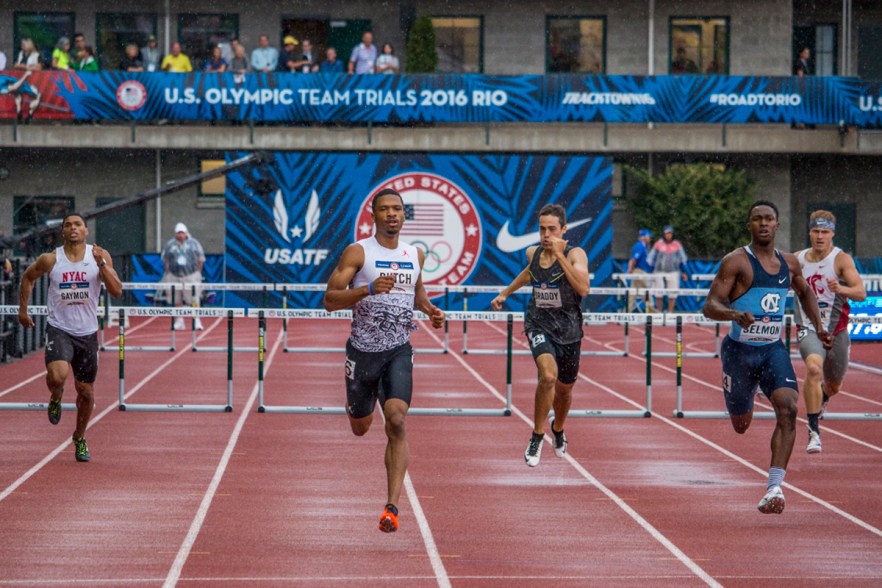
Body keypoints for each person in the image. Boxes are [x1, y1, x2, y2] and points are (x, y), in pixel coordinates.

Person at [322, 188, 445, 533]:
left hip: (397, 351)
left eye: (397, 209)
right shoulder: (359, 252)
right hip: (362, 354)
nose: (392, 214)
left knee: (397, 420)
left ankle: (392, 507)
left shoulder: (414, 254)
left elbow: (417, 295)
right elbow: (329, 300)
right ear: (373, 216)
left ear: (405, 216)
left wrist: (431, 310)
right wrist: (368, 289)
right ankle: (355, 405)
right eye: (385, 209)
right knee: (361, 428)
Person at [703, 200, 830, 514]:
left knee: (788, 408)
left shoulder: (789, 264)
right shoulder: (736, 262)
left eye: (769, 219)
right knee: (741, 425)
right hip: (739, 353)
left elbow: (805, 293)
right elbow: (710, 306)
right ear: (749, 225)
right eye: (757, 219)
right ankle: (748, 393)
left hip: (772, 349)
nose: (763, 224)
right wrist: (733, 313)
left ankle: (774, 488)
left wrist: (819, 326)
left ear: (777, 225)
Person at [491, 204, 590, 467]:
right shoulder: (532, 252)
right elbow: (529, 274)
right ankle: (537, 434)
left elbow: (583, 287)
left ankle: (558, 428)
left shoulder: (575, 254)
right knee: (548, 376)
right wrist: (505, 293)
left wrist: (559, 257)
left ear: (564, 230)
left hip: (569, 331)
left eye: (552, 229)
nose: (546, 235)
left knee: (565, 392)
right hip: (539, 324)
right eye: (542, 229)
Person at [18, 213, 123, 462]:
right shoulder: (51, 259)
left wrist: (101, 265)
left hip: (87, 333)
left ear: (86, 230)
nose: (73, 228)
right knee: (58, 376)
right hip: (59, 328)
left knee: (85, 392)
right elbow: (28, 278)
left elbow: (117, 291)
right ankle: (55, 397)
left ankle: (79, 436)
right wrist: (23, 310)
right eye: (68, 225)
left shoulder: (99, 255)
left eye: (77, 225)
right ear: (63, 231)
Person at [794, 210, 866, 454]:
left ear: (833, 234)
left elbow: (860, 293)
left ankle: (824, 396)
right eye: (816, 231)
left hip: (836, 330)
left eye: (825, 232)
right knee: (813, 369)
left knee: (834, 385)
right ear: (810, 232)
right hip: (808, 327)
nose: (820, 236)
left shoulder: (841, 260)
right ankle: (813, 431)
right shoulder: (798, 259)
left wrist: (841, 289)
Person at [161, 223, 206, 330]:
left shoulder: (194, 243)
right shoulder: (170, 244)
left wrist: (197, 273)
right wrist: (168, 273)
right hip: (174, 275)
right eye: (178, 233)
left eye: (182, 233)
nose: (180, 235)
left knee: (194, 299)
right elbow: (166, 259)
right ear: (175, 233)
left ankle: (196, 320)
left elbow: (201, 259)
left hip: (190, 275)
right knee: (176, 299)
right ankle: (179, 320)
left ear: (186, 232)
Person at [647, 225, 688, 313]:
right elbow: (650, 258)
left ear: (672, 234)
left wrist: (684, 272)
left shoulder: (677, 245)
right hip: (659, 272)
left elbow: (683, 259)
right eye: (666, 234)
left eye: (670, 234)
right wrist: (651, 269)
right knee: (658, 292)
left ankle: (669, 313)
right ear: (663, 234)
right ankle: (659, 312)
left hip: (673, 272)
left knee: (673, 293)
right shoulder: (658, 244)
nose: (668, 236)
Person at [626, 228, 655, 312]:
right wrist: (630, 269)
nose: (650, 238)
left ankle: (626, 313)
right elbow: (634, 259)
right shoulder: (640, 246)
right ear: (644, 237)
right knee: (646, 292)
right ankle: (654, 314)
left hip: (639, 271)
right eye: (648, 236)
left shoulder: (643, 246)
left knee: (633, 293)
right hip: (639, 272)